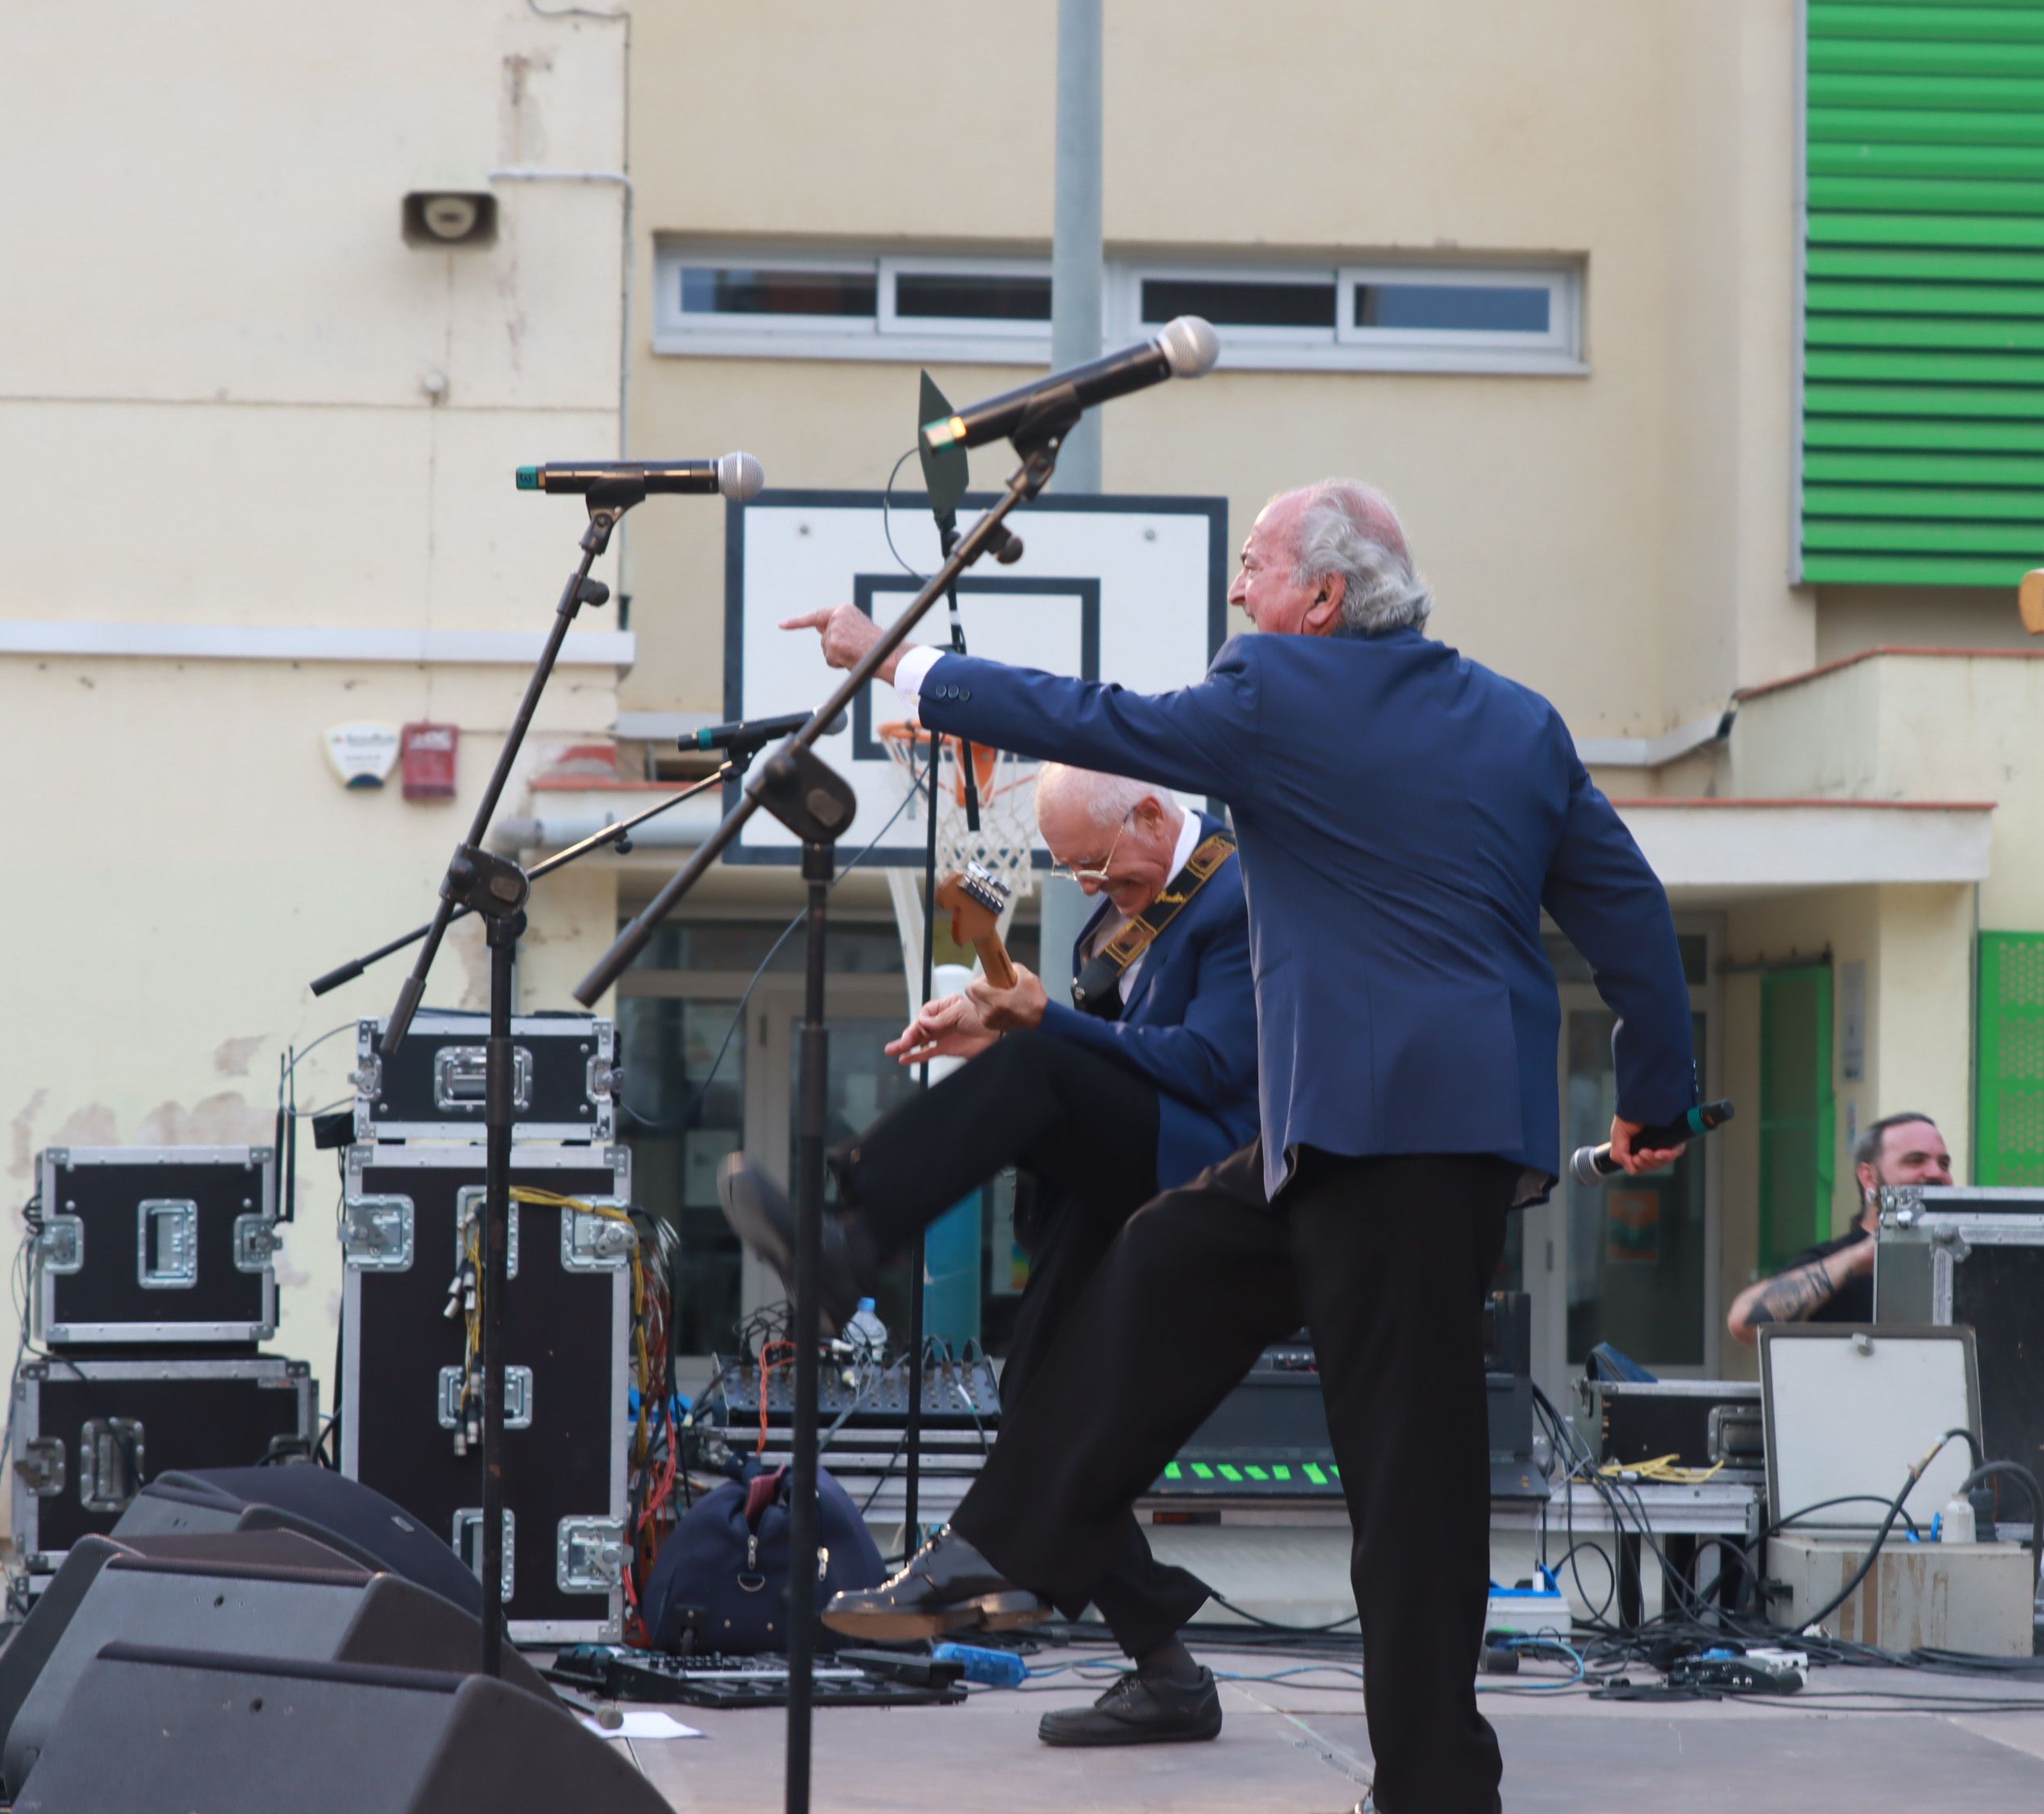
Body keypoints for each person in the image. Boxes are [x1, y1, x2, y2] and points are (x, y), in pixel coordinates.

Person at [785, 479, 1694, 1814]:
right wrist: (1654, 1101)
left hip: (1409, 1149)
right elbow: (1629, 917)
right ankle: (999, 1547)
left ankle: (1437, 1790)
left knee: (1408, 1484)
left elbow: (1099, 720)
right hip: (1334, 1140)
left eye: (1254, 566)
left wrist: (909, 663)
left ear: (1322, 600)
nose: (1235, 592)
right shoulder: (1517, 723)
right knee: (1162, 1259)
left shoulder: (1281, 691)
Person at [718, 761, 1255, 1747]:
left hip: (1209, 1171)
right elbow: (1107, 1050)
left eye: (1106, 870)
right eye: (1078, 875)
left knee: (1040, 1053)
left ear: (1150, 813)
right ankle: (1167, 1670)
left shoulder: (1242, 890)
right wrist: (996, 1030)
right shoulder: (1126, 910)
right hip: (1115, 1176)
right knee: (1043, 1405)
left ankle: (853, 1237)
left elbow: (1214, 1068)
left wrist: (1041, 1028)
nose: (1096, 890)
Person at [1724, 1112, 1952, 1342]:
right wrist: (1862, 1258)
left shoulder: (1963, 1257)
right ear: (1869, 1177)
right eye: (1915, 1161)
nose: (1936, 1173)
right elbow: (1744, 1322)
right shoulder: (1839, 1261)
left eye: (1944, 1164)